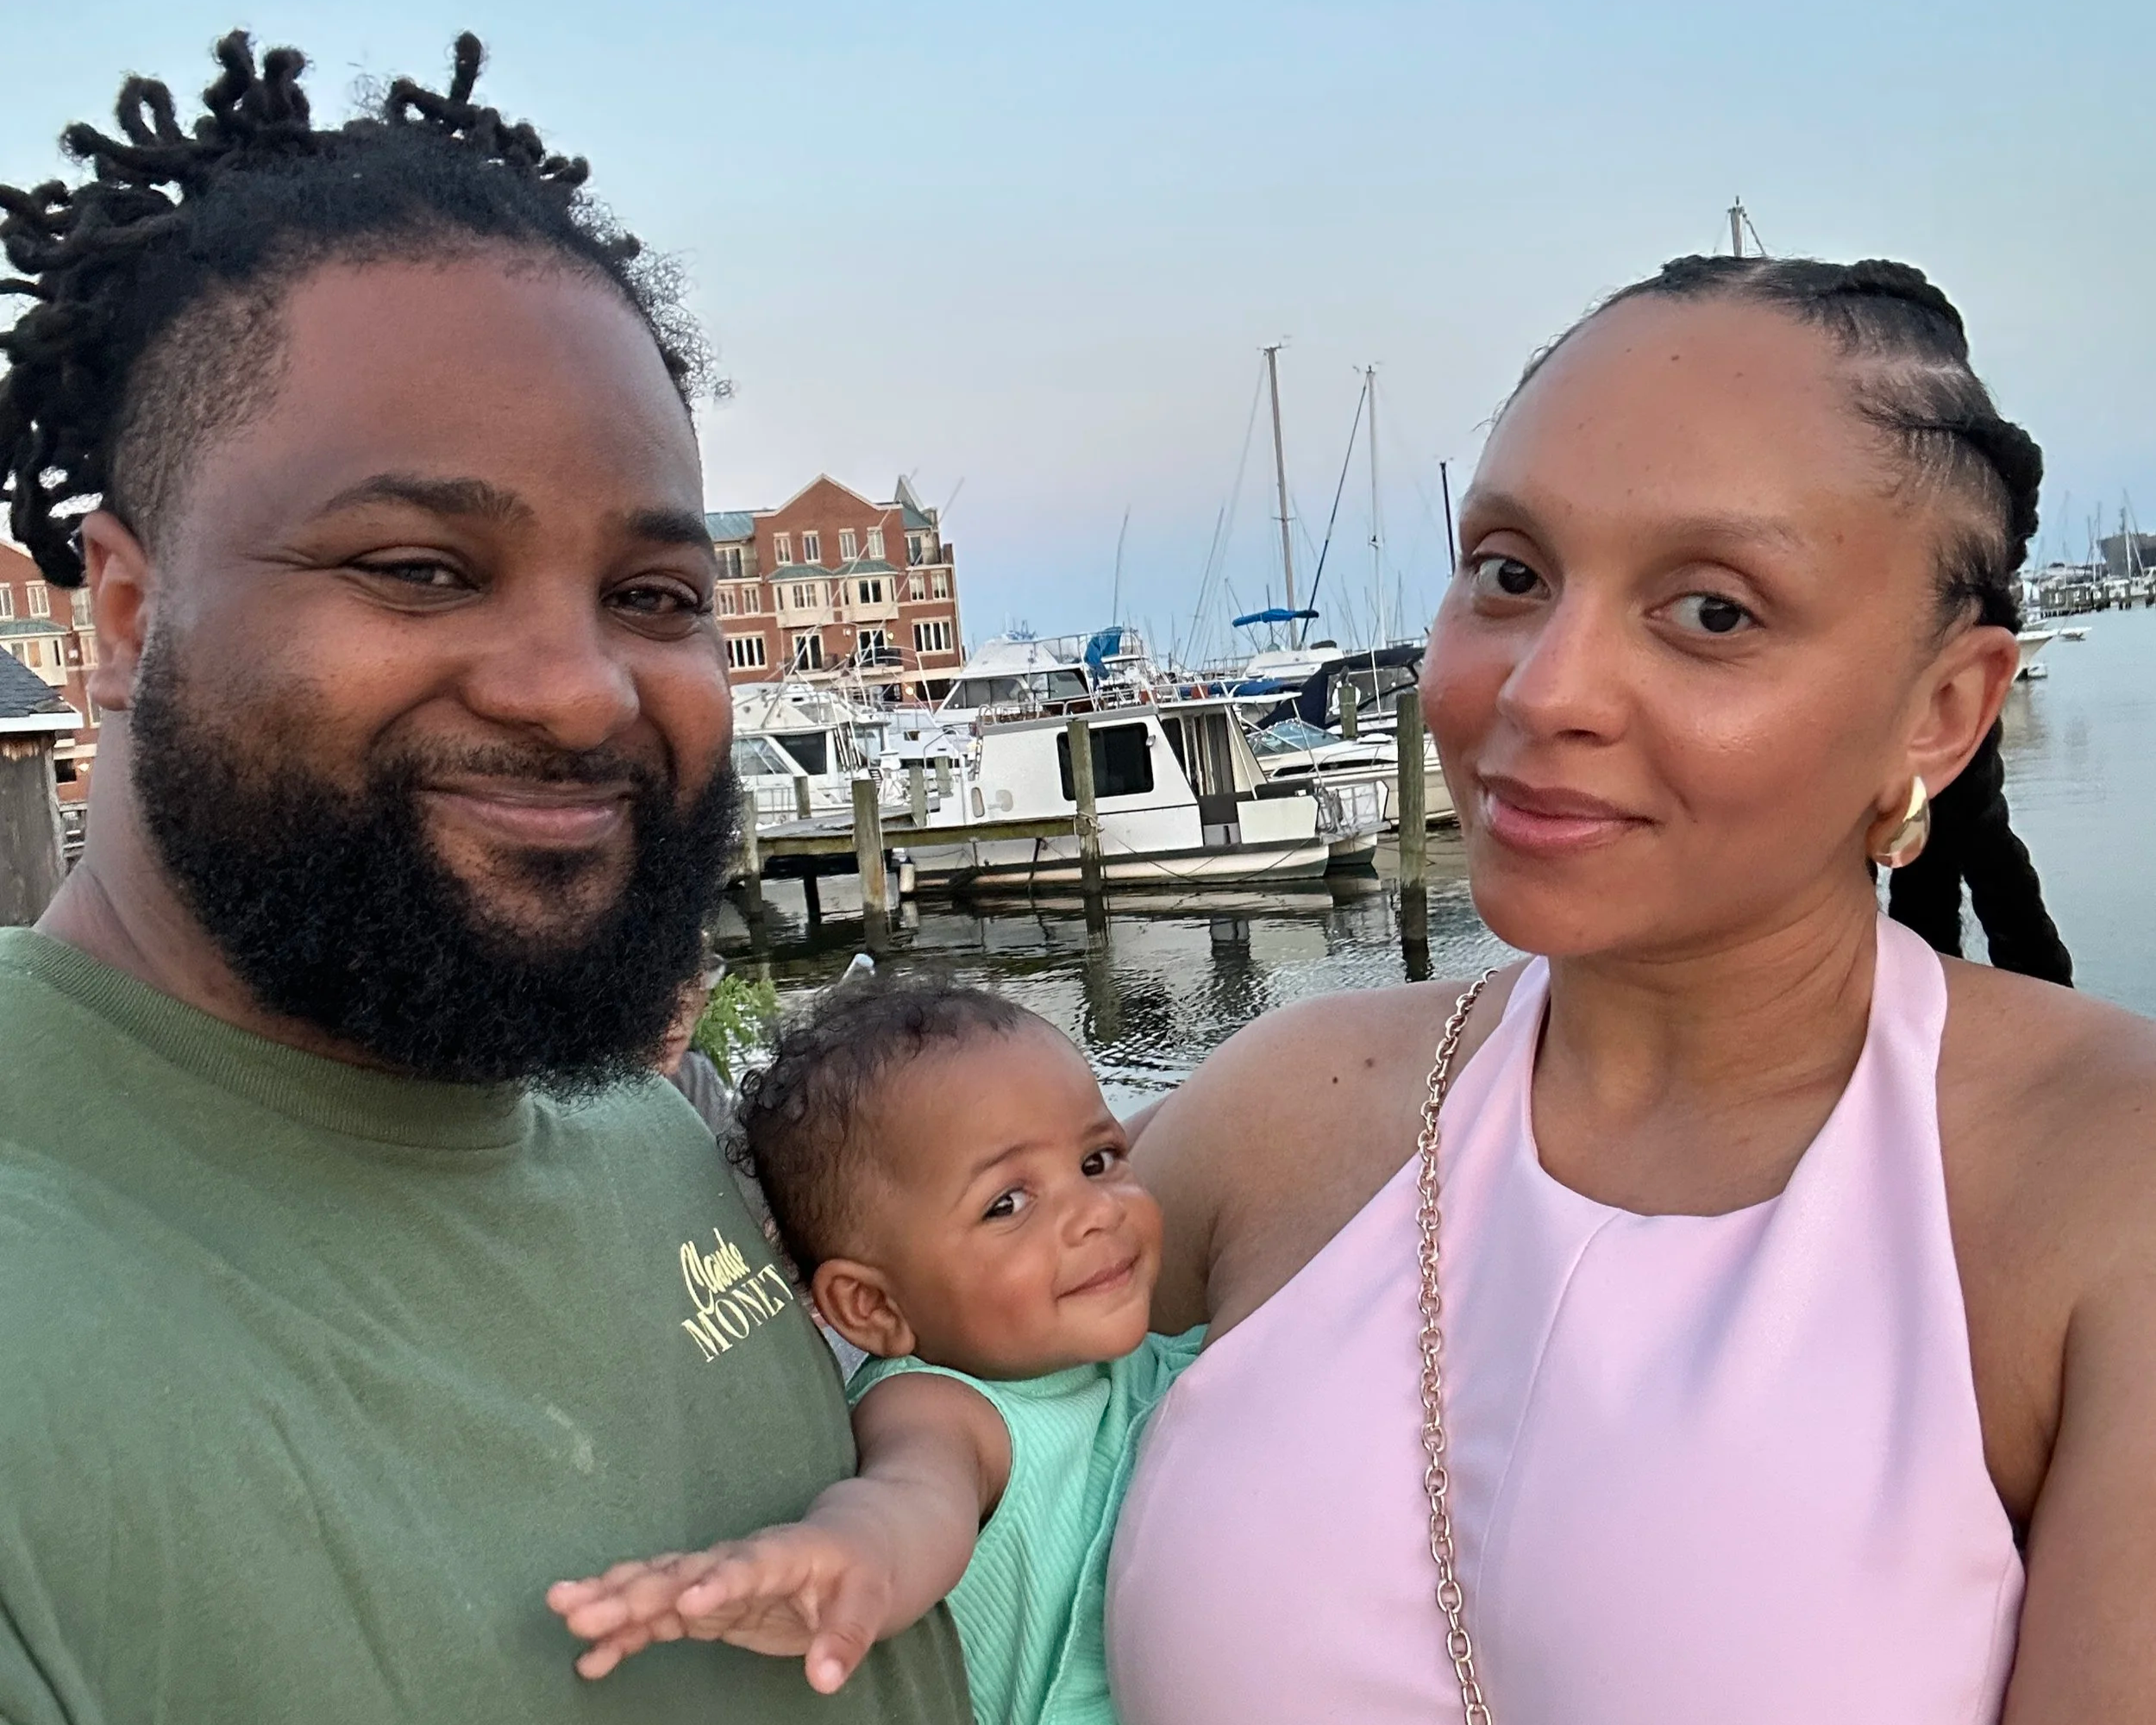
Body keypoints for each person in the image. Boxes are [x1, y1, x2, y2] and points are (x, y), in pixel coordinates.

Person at [0, 34, 966, 1725]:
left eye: (653, 597)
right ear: (128, 620)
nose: (579, 693)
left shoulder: (642, 1132)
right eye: (420, 567)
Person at [1108, 257, 2156, 1723]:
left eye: (1712, 612)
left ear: (1942, 711)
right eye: (1510, 574)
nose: (1542, 690)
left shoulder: (2103, 1193)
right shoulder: (1281, 1113)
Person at [548, 974, 1200, 1724]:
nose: (1096, 1213)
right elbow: (913, 1503)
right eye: (1007, 1204)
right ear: (875, 1307)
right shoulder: (945, 1408)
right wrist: (851, 1553)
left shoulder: (1132, 1354)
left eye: (1098, 1160)